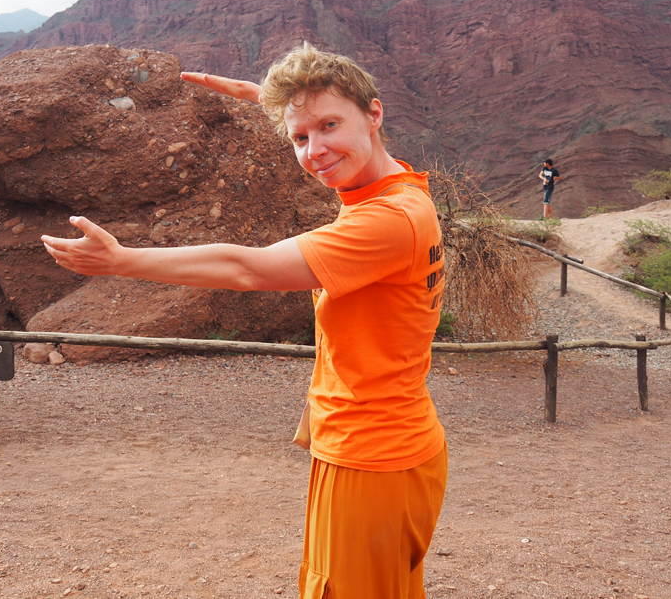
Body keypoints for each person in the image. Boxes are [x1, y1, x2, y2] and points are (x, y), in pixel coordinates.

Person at [41, 43, 447, 599]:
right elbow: (329, 135)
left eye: (329, 126)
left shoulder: (387, 222)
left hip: (371, 456)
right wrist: (269, 102)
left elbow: (248, 269)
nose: (315, 151)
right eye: (299, 137)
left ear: (374, 114)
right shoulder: (397, 184)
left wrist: (121, 260)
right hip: (390, 444)